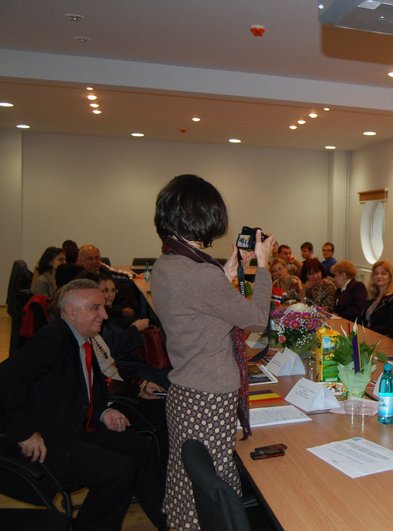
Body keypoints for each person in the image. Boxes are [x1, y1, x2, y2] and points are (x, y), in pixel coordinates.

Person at [151, 174, 274, 530]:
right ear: (203, 216)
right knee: (214, 487)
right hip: (210, 395)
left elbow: (198, 307)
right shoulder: (199, 275)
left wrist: (225, 273)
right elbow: (256, 318)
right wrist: (263, 267)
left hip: (185, 391)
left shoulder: (167, 264)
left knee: (189, 480)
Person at [0, 279, 166, 530]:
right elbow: (7, 377)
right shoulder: (53, 338)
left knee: (141, 447)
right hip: (50, 440)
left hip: (74, 428)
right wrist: (24, 432)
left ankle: (168, 521)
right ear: (70, 311)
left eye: (103, 308)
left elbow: (89, 389)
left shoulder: (81, 338)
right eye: (95, 308)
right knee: (118, 472)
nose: (105, 315)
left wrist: (103, 412)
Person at [361, 259, 393, 335]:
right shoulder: (372, 295)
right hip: (366, 334)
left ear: (390, 277)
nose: (379, 276)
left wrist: (367, 331)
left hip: (381, 338)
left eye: (383, 273)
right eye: (376, 273)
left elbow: (390, 326)